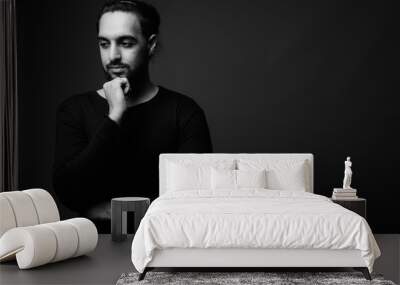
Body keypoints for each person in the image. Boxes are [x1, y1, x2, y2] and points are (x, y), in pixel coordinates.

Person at [52, 0, 213, 232]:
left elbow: (194, 195)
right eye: (104, 44)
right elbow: (69, 192)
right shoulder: (74, 109)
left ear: (151, 45)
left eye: (126, 43)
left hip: (165, 241)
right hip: (94, 246)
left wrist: (112, 209)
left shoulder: (184, 111)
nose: (113, 55)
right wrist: (115, 116)